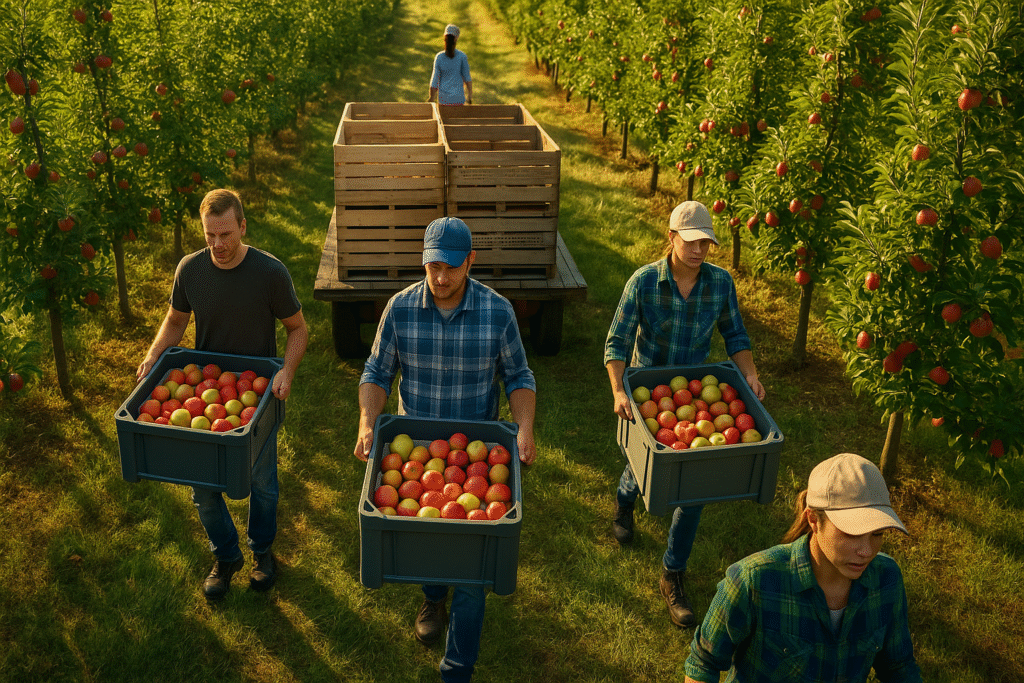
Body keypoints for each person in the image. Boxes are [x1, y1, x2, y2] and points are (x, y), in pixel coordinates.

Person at [355, 216, 536, 683]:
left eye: (451, 267)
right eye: (432, 265)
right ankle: (434, 595)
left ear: (471, 262)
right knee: (429, 540)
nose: (440, 277)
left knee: (472, 573)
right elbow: (376, 371)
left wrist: (525, 427)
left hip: (477, 454)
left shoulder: (497, 312)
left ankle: (457, 669)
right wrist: (367, 422)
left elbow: (518, 376)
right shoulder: (399, 309)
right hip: (414, 453)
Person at [136, 188, 308, 601]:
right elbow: (176, 321)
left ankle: (263, 551)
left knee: (262, 482)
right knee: (203, 488)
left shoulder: (270, 273)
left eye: (226, 233)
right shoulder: (190, 270)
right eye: (210, 235)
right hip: (204, 387)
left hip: (260, 393)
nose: (218, 245)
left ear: (243, 226)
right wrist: (151, 356)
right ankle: (226, 554)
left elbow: (298, 328)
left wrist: (287, 370)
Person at [604, 200, 766, 628]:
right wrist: (619, 389)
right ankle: (624, 503)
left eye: (705, 242)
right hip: (646, 390)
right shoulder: (643, 282)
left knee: (693, 486)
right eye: (691, 240)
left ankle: (672, 570)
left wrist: (748, 373)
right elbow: (617, 342)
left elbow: (735, 332)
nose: (699, 250)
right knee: (641, 467)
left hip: (695, 394)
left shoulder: (720, 283)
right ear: (671, 236)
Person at [684, 453, 922, 682]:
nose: (867, 551)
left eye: (877, 534)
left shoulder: (887, 579)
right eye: (851, 534)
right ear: (813, 520)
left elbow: (898, 667)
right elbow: (704, 663)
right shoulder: (753, 581)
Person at [428, 24, 472, 106]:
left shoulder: (439, 57)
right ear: (456, 39)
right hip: (458, 99)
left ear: (444, 38)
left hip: (443, 100)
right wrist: (469, 96)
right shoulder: (462, 57)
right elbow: (467, 78)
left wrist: (431, 98)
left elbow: (434, 81)